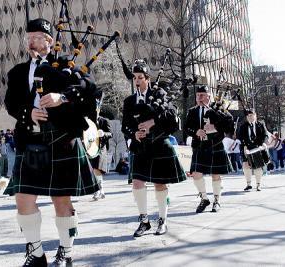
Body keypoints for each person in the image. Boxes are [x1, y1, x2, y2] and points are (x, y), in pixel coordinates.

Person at [3, 18, 100, 266]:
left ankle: (66, 252)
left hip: (61, 139)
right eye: (27, 37)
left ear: (49, 40)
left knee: (61, 200)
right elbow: (11, 104)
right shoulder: (17, 72)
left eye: (35, 36)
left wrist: (63, 97)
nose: (30, 41)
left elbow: (89, 88)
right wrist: (28, 112)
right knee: (23, 198)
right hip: (31, 139)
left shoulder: (66, 65)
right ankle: (36, 254)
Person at [121, 59, 186, 237]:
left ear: (147, 78)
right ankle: (144, 221)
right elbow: (125, 125)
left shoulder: (159, 94)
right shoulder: (129, 101)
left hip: (158, 143)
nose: (137, 81)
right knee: (137, 183)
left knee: (159, 183)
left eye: (140, 77)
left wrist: (153, 122)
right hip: (141, 147)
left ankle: (162, 220)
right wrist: (134, 133)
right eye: (134, 78)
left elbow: (172, 118)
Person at [184, 85, 234, 213]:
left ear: (208, 96)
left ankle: (216, 200)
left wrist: (215, 127)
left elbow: (229, 123)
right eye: (197, 95)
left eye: (202, 95)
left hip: (215, 145)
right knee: (195, 174)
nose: (199, 97)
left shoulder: (217, 108)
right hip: (199, 146)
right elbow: (186, 128)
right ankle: (204, 198)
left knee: (215, 175)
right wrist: (196, 132)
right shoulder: (192, 111)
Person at [90, 94, 113, 200]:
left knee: (97, 169)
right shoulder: (88, 122)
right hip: (90, 147)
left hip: (101, 147)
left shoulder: (104, 121)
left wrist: (103, 133)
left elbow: (110, 134)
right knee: (92, 170)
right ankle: (100, 190)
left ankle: (98, 190)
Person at [239, 109, 268, 191]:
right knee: (245, 166)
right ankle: (248, 184)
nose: (250, 117)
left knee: (257, 167)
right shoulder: (243, 126)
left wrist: (264, 143)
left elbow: (265, 135)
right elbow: (240, 137)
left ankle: (258, 184)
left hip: (257, 147)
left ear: (255, 116)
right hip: (247, 148)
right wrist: (244, 146)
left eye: (251, 115)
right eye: (248, 116)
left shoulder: (261, 124)